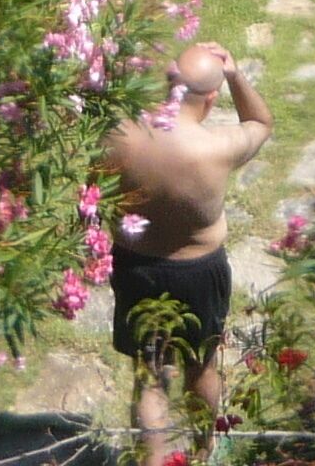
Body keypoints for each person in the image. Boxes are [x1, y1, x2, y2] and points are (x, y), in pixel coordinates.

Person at [102, 40, 273, 465]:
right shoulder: (216, 148)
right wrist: (234, 74)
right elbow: (260, 122)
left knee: (150, 376)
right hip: (199, 271)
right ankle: (204, 450)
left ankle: (153, 460)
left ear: (168, 83)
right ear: (211, 98)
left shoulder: (118, 135)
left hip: (137, 266)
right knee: (202, 365)